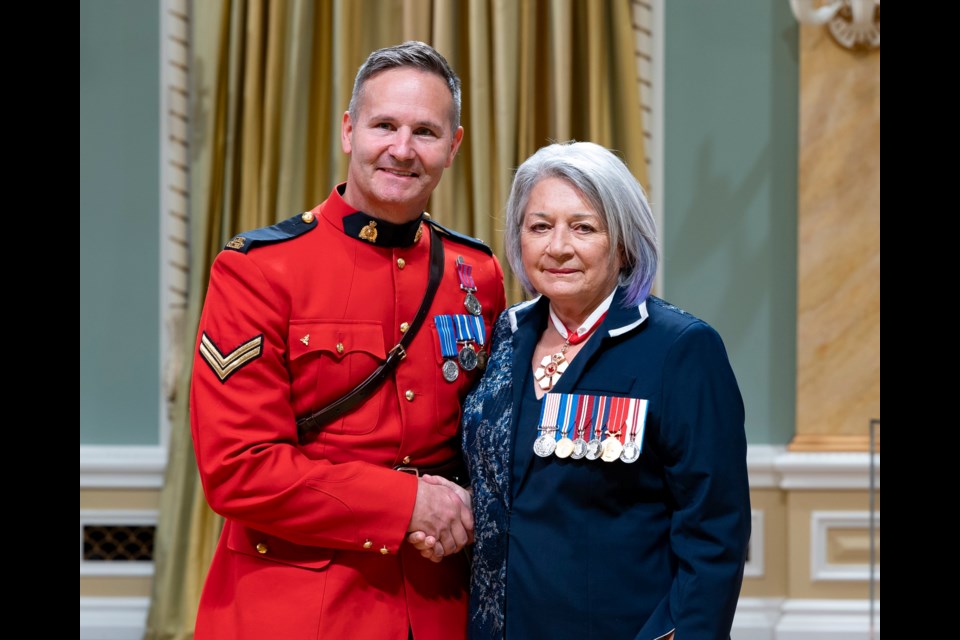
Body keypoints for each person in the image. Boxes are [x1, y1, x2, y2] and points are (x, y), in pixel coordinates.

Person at [189, 41, 506, 640]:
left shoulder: (477, 274)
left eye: (425, 131)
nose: (402, 149)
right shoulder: (259, 269)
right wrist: (406, 504)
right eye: (384, 125)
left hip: (442, 602)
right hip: (296, 606)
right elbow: (238, 468)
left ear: (454, 147)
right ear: (349, 130)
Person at [412, 141, 750, 639]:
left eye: (584, 227)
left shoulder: (679, 349)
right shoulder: (504, 335)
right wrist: (458, 510)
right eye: (540, 226)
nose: (558, 247)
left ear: (624, 242)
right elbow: (519, 481)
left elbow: (715, 535)